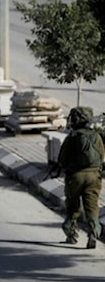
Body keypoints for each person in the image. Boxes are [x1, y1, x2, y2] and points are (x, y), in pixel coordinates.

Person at [58, 106, 104, 248]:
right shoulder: (96, 136)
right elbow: (101, 156)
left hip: (75, 176)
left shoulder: (72, 137)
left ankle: (71, 234)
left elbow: (62, 159)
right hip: (94, 176)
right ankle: (93, 233)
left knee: (73, 206)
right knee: (92, 206)